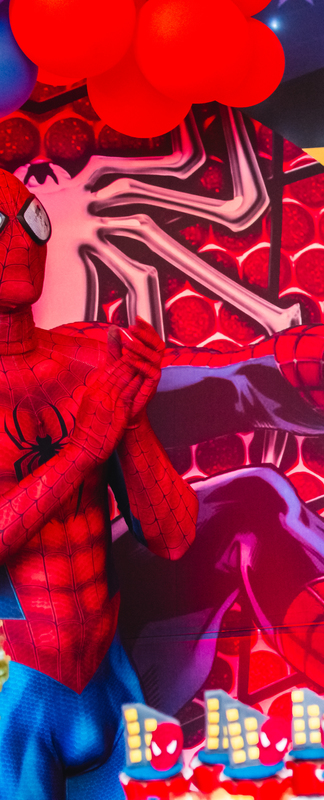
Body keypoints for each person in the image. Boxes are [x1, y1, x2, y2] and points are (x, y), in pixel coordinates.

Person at [0, 169, 199, 798]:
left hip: (110, 680)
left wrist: (131, 421)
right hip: (13, 696)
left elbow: (173, 538)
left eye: (32, 219)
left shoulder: (88, 362)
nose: (19, 241)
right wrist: (85, 447)